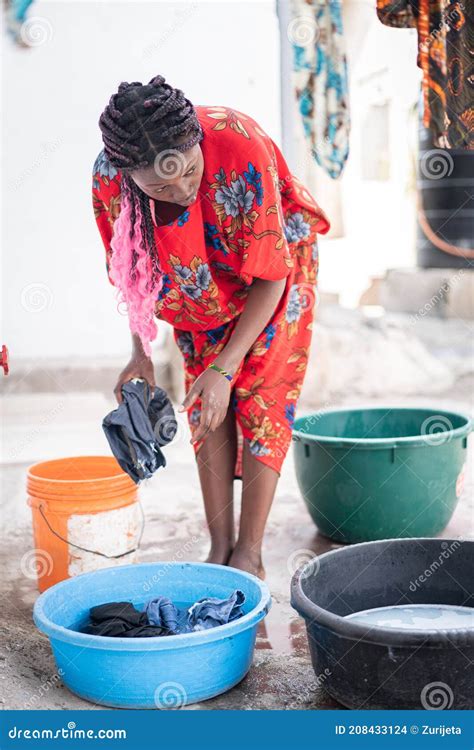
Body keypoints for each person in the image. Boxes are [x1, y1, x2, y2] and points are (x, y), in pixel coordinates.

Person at [92, 75, 330, 579]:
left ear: (199, 143)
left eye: (191, 171)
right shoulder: (109, 180)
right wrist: (141, 353)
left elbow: (270, 274)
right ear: (127, 174)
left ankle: (251, 552)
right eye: (159, 187)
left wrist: (228, 366)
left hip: (274, 272)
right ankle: (220, 546)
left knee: (262, 393)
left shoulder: (238, 141)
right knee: (206, 403)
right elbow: (132, 271)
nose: (182, 189)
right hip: (198, 285)